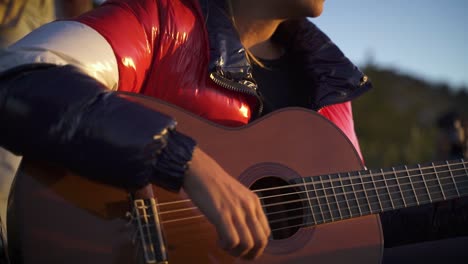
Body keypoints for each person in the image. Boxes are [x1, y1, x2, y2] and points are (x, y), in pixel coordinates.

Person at [6, 0, 461, 262]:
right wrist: (180, 159)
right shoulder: (159, 21)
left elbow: (352, 228)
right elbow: (20, 78)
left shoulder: (332, 90)